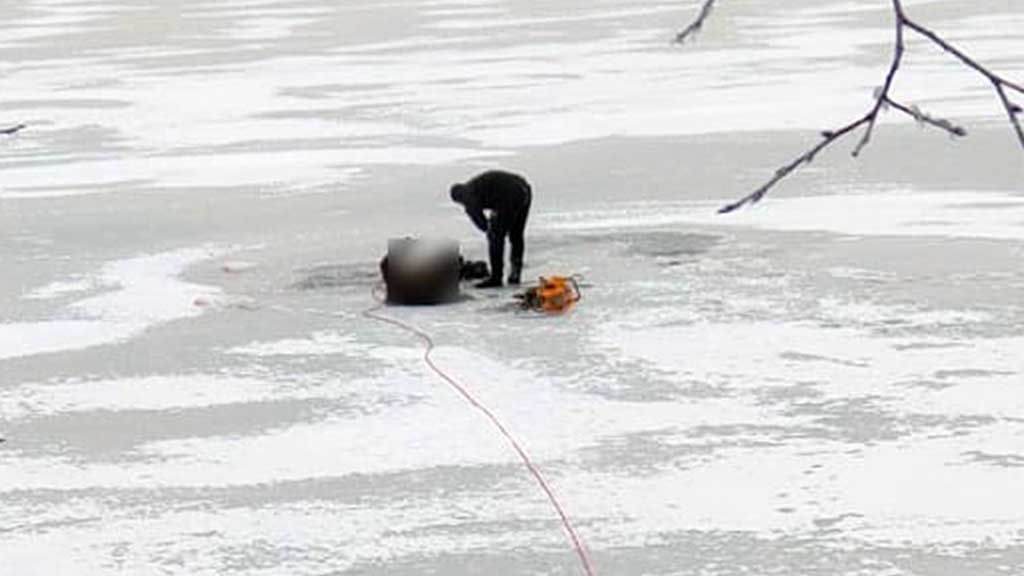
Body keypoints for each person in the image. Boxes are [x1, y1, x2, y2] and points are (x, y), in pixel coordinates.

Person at [450, 170, 532, 288]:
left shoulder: (467, 195)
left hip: (510, 195)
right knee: (516, 235)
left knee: (495, 237)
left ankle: (496, 277)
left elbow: (481, 222)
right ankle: (515, 273)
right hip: (524, 189)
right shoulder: (474, 185)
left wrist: (491, 228)